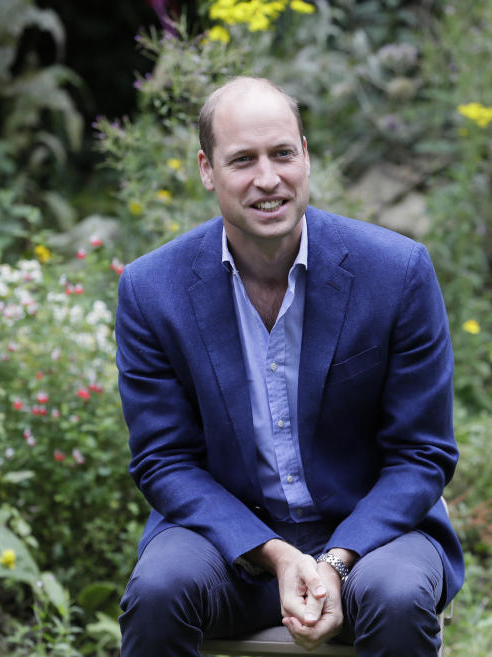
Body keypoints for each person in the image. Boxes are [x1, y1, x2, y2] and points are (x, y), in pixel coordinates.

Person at [115, 76, 464, 656]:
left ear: (306, 154)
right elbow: (164, 459)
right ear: (207, 169)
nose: (268, 178)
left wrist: (334, 558)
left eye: (282, 153)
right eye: (242, 160)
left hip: (372, 537)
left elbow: (422, 453)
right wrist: (276, 555)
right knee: (158, 590)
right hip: (227, 543)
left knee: (400, 598)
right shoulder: (153, 291)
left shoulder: (397, 273)